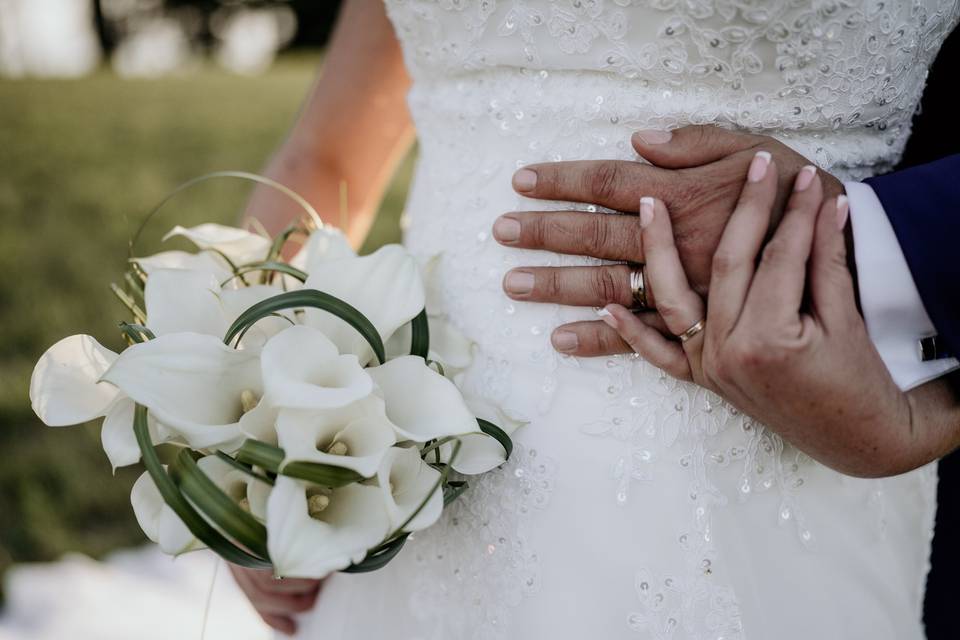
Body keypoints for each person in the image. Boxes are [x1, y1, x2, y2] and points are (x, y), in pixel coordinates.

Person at [233, 1, 960, 638]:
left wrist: (856, 250)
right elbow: (324, 154)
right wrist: (254, 436)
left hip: (782, 440)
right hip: (404, 475)